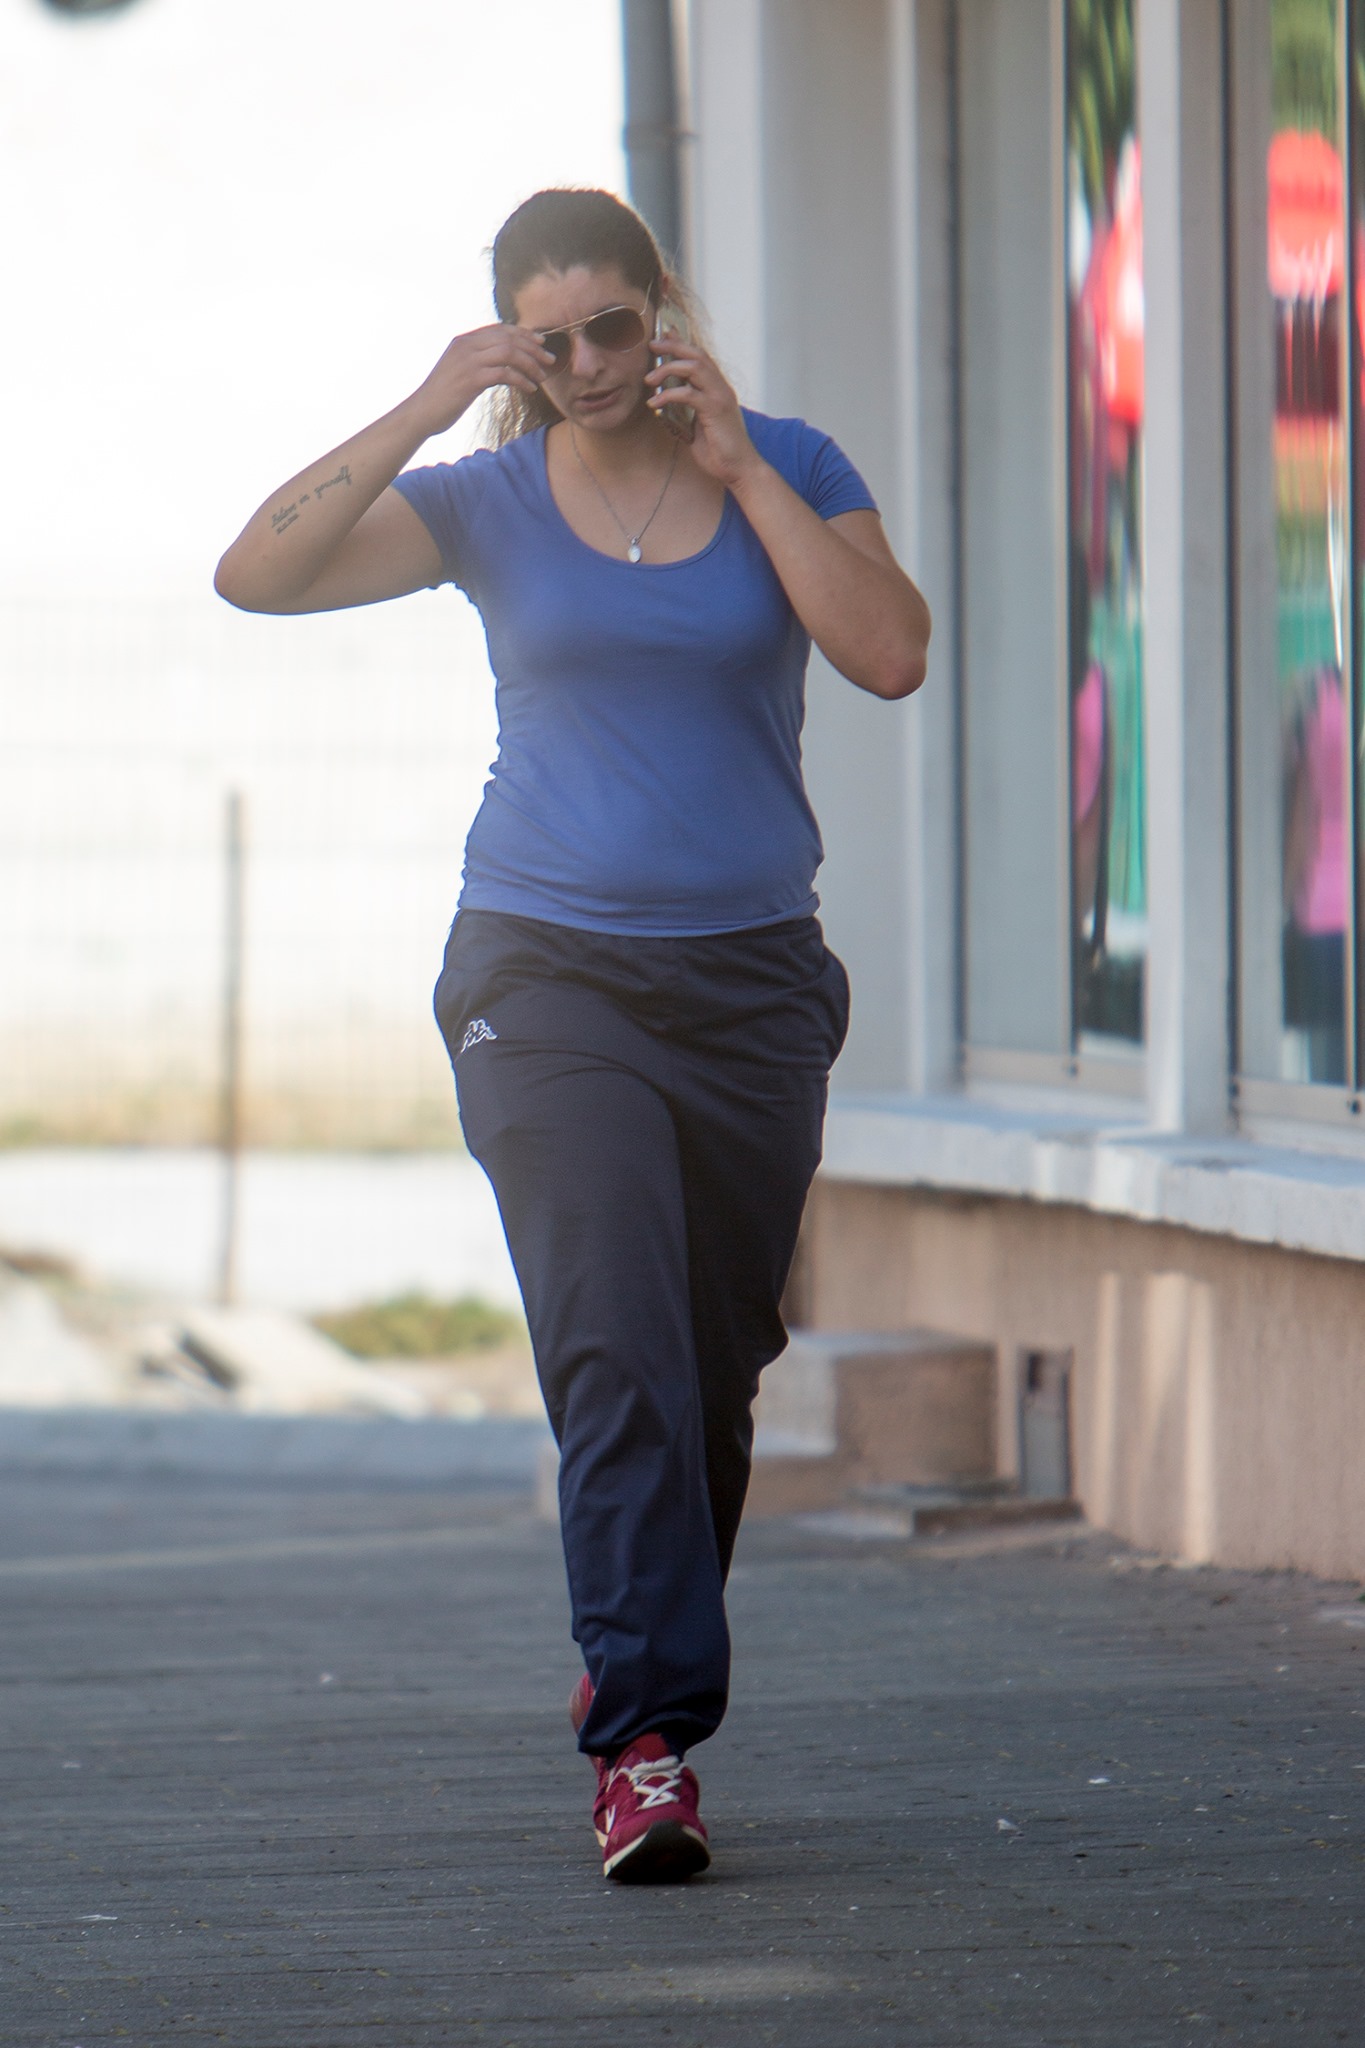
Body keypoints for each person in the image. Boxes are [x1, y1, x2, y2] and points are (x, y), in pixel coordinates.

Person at [215, 188, 930, 1885]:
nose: (591, 361)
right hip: (543, 976)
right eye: (552, 341)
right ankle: (644, 1741)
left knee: (711, 1361)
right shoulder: (484, 501)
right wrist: (425, 402)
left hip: (750, 980)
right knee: (614, 1343)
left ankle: (635, 1638)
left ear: (657, 308)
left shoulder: (790, 462)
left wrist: (744, 469)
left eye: (613, 324)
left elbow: (892, 654)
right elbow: (256, 575)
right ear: (517, 349)